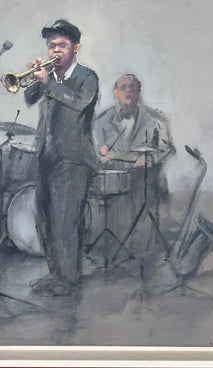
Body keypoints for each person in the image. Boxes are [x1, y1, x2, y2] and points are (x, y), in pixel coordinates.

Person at [24, 19, 99, 296]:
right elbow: (29, 98)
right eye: (51, 45)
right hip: (47, 157)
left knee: (67, 221)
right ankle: (55, 274)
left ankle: (69, 278)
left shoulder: (87, 77)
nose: (55, 50)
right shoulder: (50, 77)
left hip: (74, 159)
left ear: (75, 48)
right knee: (45, 218)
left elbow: (78, 103)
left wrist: (50, 84)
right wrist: (38, 78)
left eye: (62, 45)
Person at [93, 74, 174, 259]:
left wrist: (150, 159)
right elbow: (96, 150)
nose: (128, 91)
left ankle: (144, 252)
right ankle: (117, 251)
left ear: (139, 91)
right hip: (116, 178)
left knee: (146, 195)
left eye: (132, 87)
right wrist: (102, 156)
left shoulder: (156, 119)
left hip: (146, 178)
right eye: (123, 87)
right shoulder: (101, 120)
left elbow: (167, 148)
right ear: (116, 93)